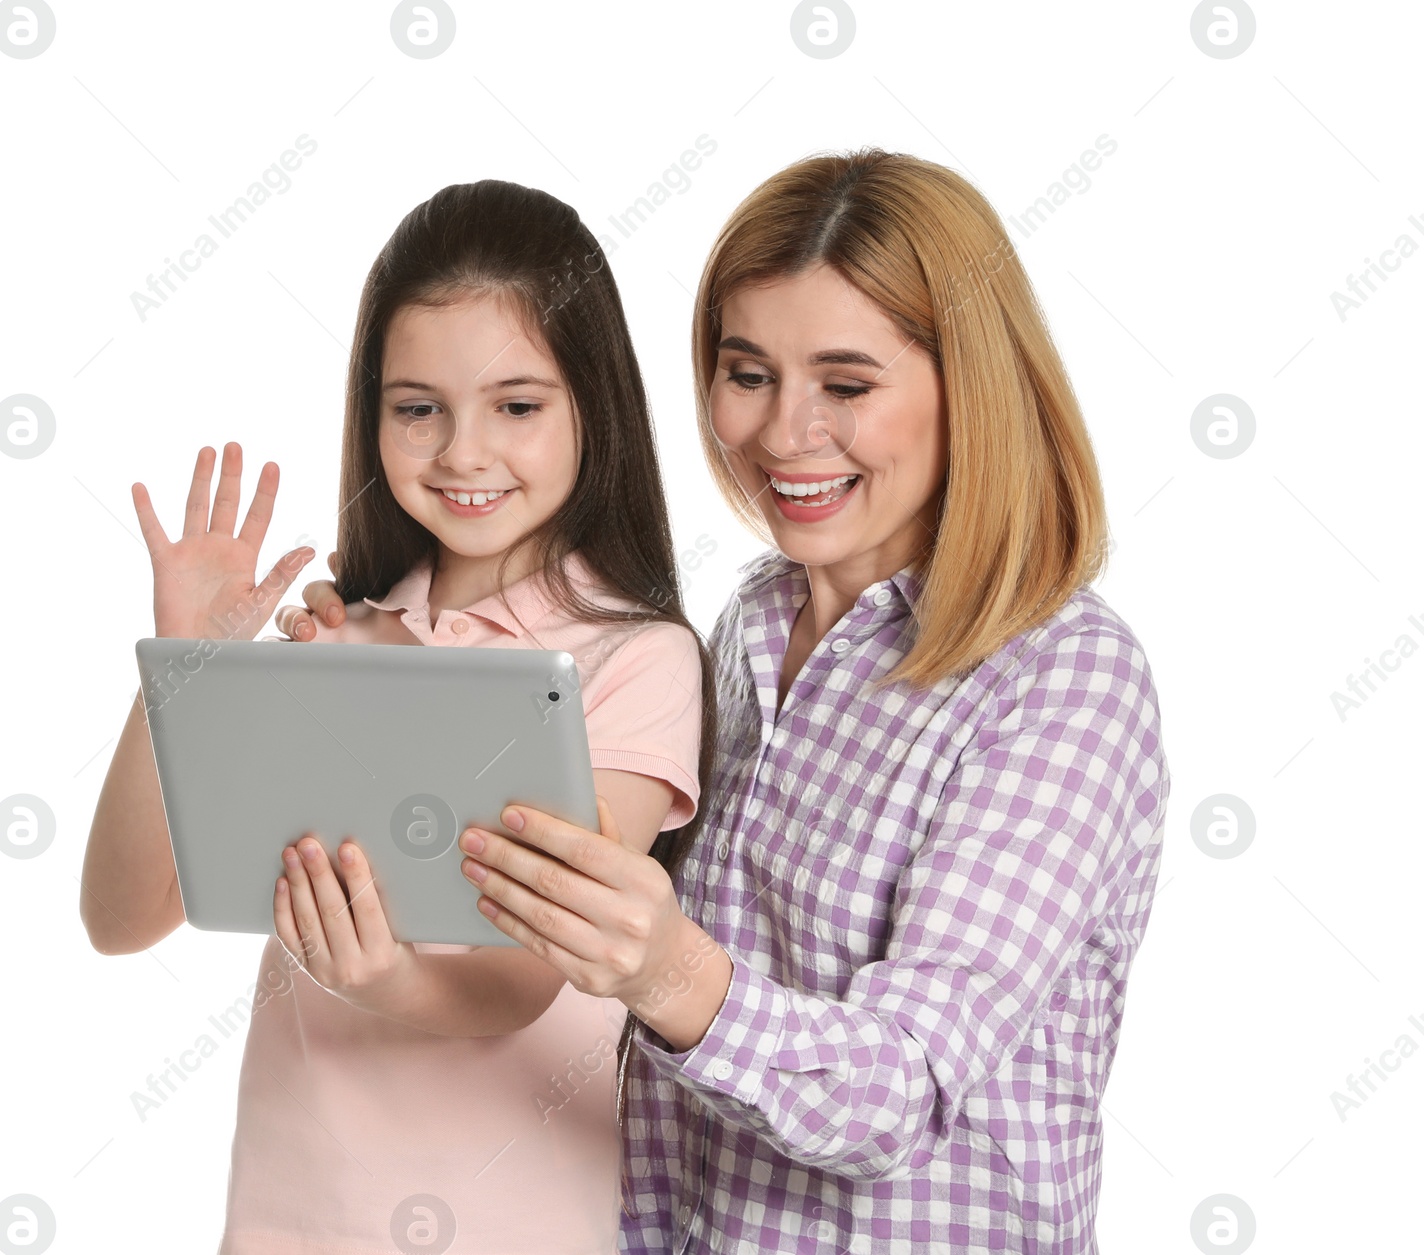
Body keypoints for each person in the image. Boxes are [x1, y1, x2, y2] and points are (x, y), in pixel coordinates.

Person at [292, 149, 1168, 1252]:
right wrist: (361, 680)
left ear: (971, 390)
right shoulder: (748, 624)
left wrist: (665, 967)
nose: (780, 432)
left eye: (845, 385)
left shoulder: (1060, 677)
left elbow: (899, 1089)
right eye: (746, 373)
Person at [79, 179, 713, 1254]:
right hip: (289, 1222)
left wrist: (384, 975)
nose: (462, 453)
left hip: (522, 1226)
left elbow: (533, 968)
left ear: (592, 409)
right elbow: (121, 915)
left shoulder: (634, 661)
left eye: (517, 406)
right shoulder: (336, 643)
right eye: (417, 407)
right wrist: (183, 670)